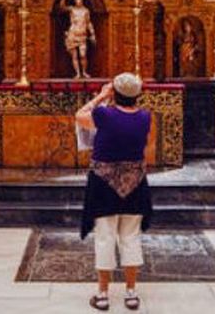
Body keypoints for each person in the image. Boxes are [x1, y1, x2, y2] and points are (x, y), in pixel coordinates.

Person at [77, 73, 153, 312]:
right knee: (131, 236)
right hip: (135, 183)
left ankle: (102, 294)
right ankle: (131, 293)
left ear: (115, 93)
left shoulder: (103, 114)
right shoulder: (145, 117)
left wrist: (101, 95)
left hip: (104, 183)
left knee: (105, 236)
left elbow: (79, 116)